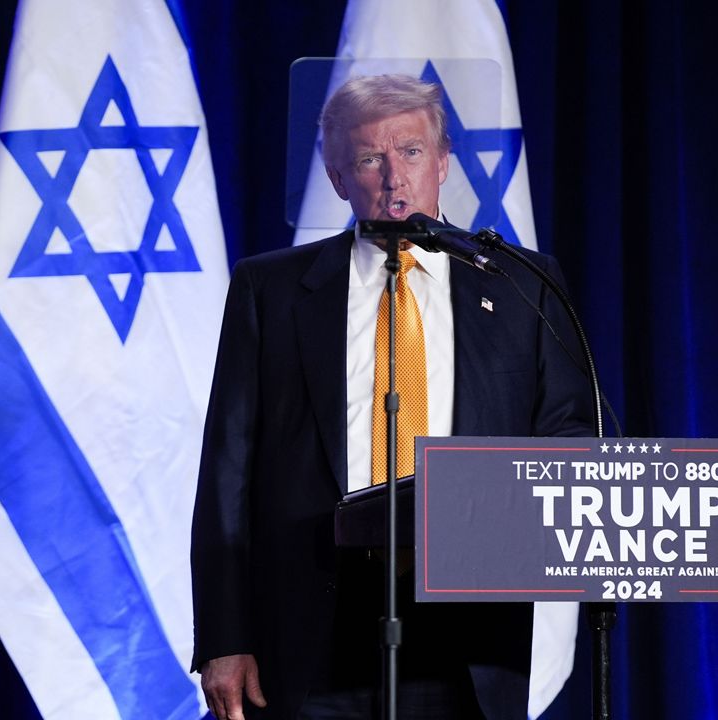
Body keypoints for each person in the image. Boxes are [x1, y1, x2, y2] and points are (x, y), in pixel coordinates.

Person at [191, 74, 593, 719]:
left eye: (409, 152)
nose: (393, 177)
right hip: (309, 633)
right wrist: (223, 637)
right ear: (338, 178)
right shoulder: (270, 289)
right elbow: (227, 476)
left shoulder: (524, 284)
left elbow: (572, 433)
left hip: (471, 627)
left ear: (443, 161)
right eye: (369, 159)